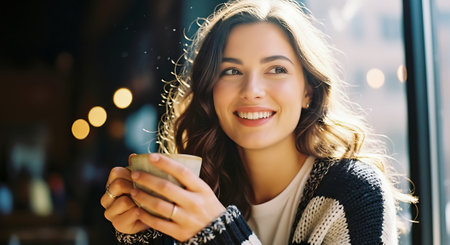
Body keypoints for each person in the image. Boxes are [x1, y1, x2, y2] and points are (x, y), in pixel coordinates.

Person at [100, 0, 417, 244]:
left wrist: (218, 232)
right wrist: (145, 233)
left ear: (308, 91)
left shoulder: (354, 193)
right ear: (211, 92)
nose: (251, 90)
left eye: (276, 69)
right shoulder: (204, 191)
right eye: (231, 71)